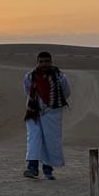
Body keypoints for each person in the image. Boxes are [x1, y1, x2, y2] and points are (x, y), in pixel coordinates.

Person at [23, 50, 71, 180]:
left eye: (46, 61)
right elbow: (27, 90)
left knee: (50, 140)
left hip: (52, 112)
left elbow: (66, 92)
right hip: (33, 111)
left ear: (51, 62)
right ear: (37, 62)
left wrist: (51, 103)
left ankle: (48, 170)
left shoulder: (60, 76)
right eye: (41, 62)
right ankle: (32, 168)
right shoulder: (30, 76)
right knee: (34, 137)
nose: (44, 64)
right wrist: (36, 103)